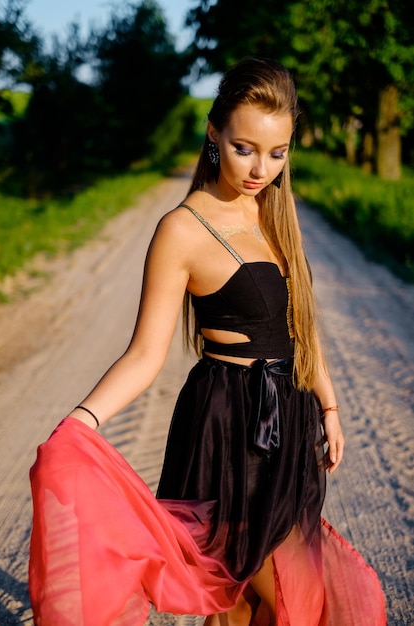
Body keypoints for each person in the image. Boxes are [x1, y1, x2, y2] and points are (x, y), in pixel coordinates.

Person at [29, 58, 386, 626]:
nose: (260, 169)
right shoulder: (182, 229)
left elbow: (299, 326)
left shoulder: (276, 210)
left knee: (261, 596)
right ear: (214, 133)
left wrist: (330, 404)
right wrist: (80, 423)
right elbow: (145, 354)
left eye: (277, 153)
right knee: (281, 586)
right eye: (245, 148)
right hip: (229, 424)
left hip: (287, 416)